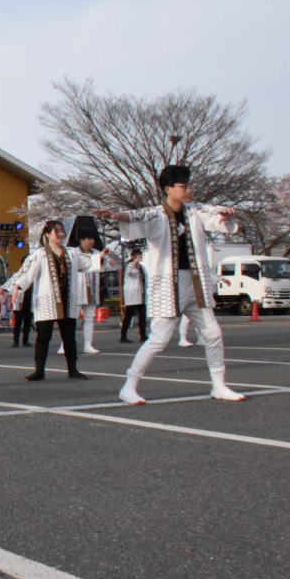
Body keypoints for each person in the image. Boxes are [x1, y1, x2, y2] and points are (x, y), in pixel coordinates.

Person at [94, 164, 245, 404]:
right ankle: (129, 385)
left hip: (196, 282)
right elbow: (135, 216)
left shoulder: (195, 210)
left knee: (213, 334)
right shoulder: (156, 214)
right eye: (183, 186)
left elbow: (217, 215)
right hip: (169, 285)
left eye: (188, 185)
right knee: (159, 339)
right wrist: (115, 215)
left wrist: (226, 214)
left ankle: (219, 385)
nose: (188, 190)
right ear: (168, 188)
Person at [10, 220, 96, 381]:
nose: (61, 234)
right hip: (47, 301)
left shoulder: (71, 253)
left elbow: (87, 263)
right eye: (58, 232)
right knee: (43, 337)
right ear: (48, 234)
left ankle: (73, 369)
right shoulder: (40, 254)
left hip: (67, 300)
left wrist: (102, 258)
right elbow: (28, 273)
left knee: (69, 337)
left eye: (62, 231)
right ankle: (39, 371)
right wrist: (17, 286)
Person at [57, 230, 112, 355]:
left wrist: (110, 260)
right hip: (76, 290)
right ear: (81, 240)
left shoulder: (96, 252)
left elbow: (107, 266)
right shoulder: (74, 252)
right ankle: (64, 345)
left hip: (92, 290)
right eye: (88, 239)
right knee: (72, 318)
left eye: (92, 239)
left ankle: (88, 345)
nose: (91, 241)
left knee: (89, 318)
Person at [119, 249, 147, 343]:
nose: (140, 257)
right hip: (132, 294)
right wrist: (134, 262)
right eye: (138, 256)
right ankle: (123, 336)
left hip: (141, 294)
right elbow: (129, 273)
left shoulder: (142, 267)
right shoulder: (130, 265)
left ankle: (143, 335)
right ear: (133, 256)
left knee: (142, 316)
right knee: (129, 315)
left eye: (140, 256)